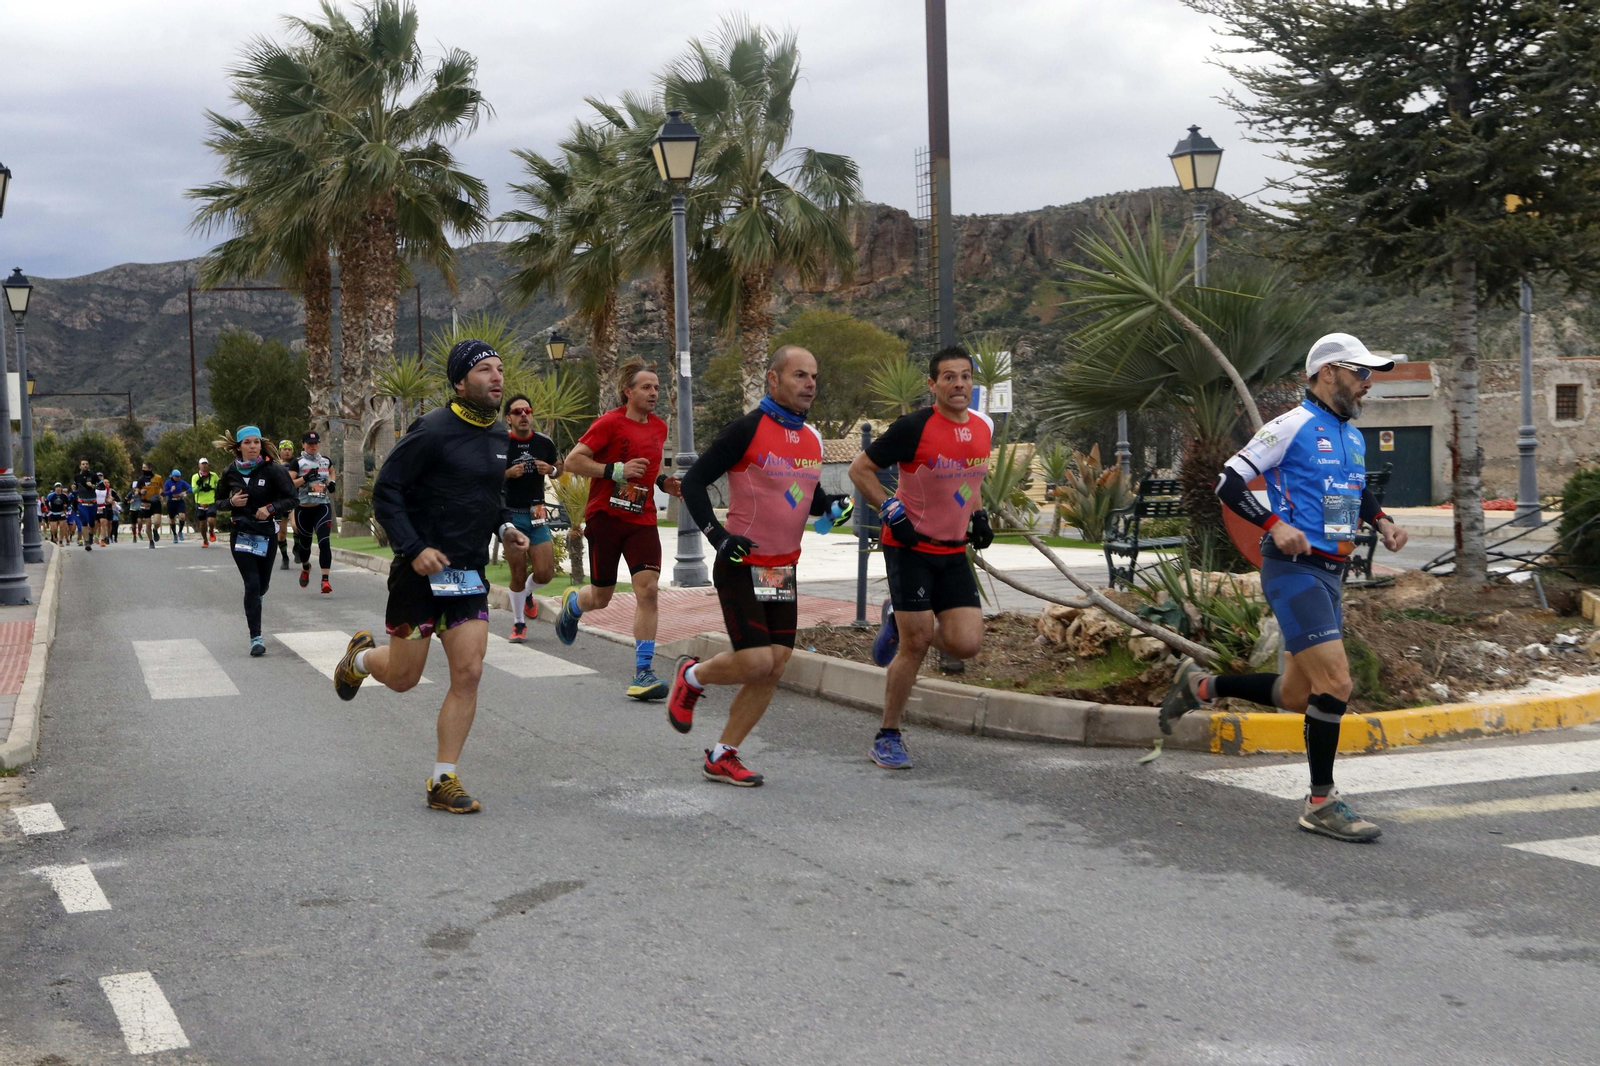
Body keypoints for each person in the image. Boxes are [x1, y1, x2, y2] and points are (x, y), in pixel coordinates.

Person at [1159, 333, 1411, 844]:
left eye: (1370, 375)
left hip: (1331, 574)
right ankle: (1320, 803)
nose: (1367, 384)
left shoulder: (1353, 436)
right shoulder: (1292, 425)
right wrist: (1273, 524)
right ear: (1327, 372)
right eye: (1360, 373)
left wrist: (1382, 521)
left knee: (1299, 694)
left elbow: (1354, 490)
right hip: (1294, 572)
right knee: (1337, 684)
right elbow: (1229, 480)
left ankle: (1199, 687)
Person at [332, 340, 529, 815]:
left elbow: (488, 495)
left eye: (500, 369)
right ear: (460, 382)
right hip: (418, 576)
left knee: (470, 671)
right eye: (485, 370)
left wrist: (505, 526)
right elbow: (387, 490)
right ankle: (360, 660)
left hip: (467, 575)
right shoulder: (433, 430)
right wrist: (414, 548)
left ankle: (444, 779)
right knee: (402, 678)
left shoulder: (500, 435)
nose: (497, 377)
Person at [669, 346, 851, 786]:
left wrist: (834, 506)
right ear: (773, 379)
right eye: (799, 375)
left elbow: (807, 496)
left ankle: (722, 754)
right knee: (754, 661)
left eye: (814, 377)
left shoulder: (812, 438)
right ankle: (691, 675)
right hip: (741, 564)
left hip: (780, 570)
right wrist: (718, 536)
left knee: (774, 664)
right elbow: (693, 481)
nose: (809, 384)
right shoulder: (747, 429)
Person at [847, 347, 996, 771]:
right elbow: (860, 469)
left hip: (952, 550)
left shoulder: (983, 428)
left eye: (965, 376)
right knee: (916, 643)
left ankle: (895, 618)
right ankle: (887, 735)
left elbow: (970, 475)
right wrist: (891, 510)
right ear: (933, 385)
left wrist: (979, 513)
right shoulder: (914, 427)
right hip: (909, 547)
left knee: (966, 644)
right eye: (949, 377)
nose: (959, 384)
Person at [554, 362, 682, 700]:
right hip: (606, 517)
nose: (654, 393)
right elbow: (573, 461)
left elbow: (649, 469)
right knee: (601, 597)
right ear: (628, 391)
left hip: (642, 519)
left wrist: (664, 482)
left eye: (656, 387)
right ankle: (574, 605)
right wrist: (614, 470)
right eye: (646, 387)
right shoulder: (609, 423)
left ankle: (643, 673)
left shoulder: (659, 428)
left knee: (649, 590)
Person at [217, 427, 297, 657]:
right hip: (241, 532)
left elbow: (291, 497)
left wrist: (270, 508)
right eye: (247, 443)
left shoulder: (272, 469)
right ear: (239, 447)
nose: (252, 446)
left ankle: (256, 600)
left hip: (266, 533)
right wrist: (231, 502)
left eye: (256, 442)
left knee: (262, 585)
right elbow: (217, 502)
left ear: (261, 445)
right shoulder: (230, 472)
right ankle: (256, 638)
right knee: (251, 584)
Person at [502, 395, 562, 642]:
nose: (524, 415)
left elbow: (560, 466)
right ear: (509, 418)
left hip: (537, 514)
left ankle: (527, 593)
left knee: (545, 573)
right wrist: (507, 473)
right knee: (517, 572)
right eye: (518, 412)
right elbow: (484, 476)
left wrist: (552, 470)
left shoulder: (543, 442)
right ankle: (518, 624)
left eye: (527, 410)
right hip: (512, 515)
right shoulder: (500, 443)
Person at [289, 431, 336, 593]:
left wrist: (332, 483)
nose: (313, 446)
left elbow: (331, 471)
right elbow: (289, 484)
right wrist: (305, 479)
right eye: (309, 444)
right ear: (303, 444)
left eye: (315, 443)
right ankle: (305, 567)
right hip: (303, 509)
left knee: (324, 542)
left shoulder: (325, 461)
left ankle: (325, 580)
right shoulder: (298, 463)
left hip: (322, 507)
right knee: (305, 546)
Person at [276, 439, 295, 569]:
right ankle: (284, 557)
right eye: (285, 449)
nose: (287, 452)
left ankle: (297, 548)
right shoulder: (274, 465)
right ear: (279, 451)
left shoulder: (297, 464)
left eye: (289, 450)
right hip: (280, 502)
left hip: (293, 500)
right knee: (281, 533)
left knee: (296, 525)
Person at [191, 458, 220, 547]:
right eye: (202, 464)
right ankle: (205, 540)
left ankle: (211, 531)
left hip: (211, 501)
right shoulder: (195, 477)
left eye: (205, 464)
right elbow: (194, 491)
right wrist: (199, 486)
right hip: (200, 502)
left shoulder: (213, 475)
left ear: (208, 465)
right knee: (203, 524)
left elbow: (220, 485)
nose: (204, 465)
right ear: (199, 465)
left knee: (211, 520)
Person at [72, 460, 97, 550]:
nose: (85, 465)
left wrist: (92, 486)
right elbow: (75, 486)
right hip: (82, 503)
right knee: (84, 522)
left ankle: (91, 535)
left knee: (92, 523)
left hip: (92, 502)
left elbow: (101, 486)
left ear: (88, 465)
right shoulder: (77, 477)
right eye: (83, 464)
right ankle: (87, 542)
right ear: (80, 466)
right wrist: (74, 488)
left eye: (86, 464)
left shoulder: (94, 476)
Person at [162, 468, 191, 542]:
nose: (178, 478)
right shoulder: (168, 483)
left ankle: (180, 532)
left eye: (179, 477)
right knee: (172, 520)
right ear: (173, 476)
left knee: (182, 516)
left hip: (180, 502)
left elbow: (191, 488)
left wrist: (185, 492)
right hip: (171, 503)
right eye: (177, 477)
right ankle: (174, 534)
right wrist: (170, 491)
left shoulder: (181, 482)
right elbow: (163, 494)